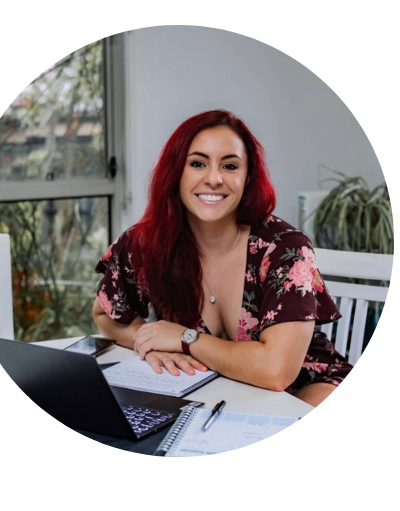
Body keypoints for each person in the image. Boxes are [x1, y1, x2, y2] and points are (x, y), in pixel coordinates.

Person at [92, 109, 353, 407]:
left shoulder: (284, 249)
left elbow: (276, 372)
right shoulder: (146, 242)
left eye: (230, 166)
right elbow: (106, 314)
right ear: (175, 172)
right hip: (216, 396)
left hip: (304, 389)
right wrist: (150, 341)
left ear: (247, 177)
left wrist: (186, 339)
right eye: (197, 163)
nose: (214, 179)